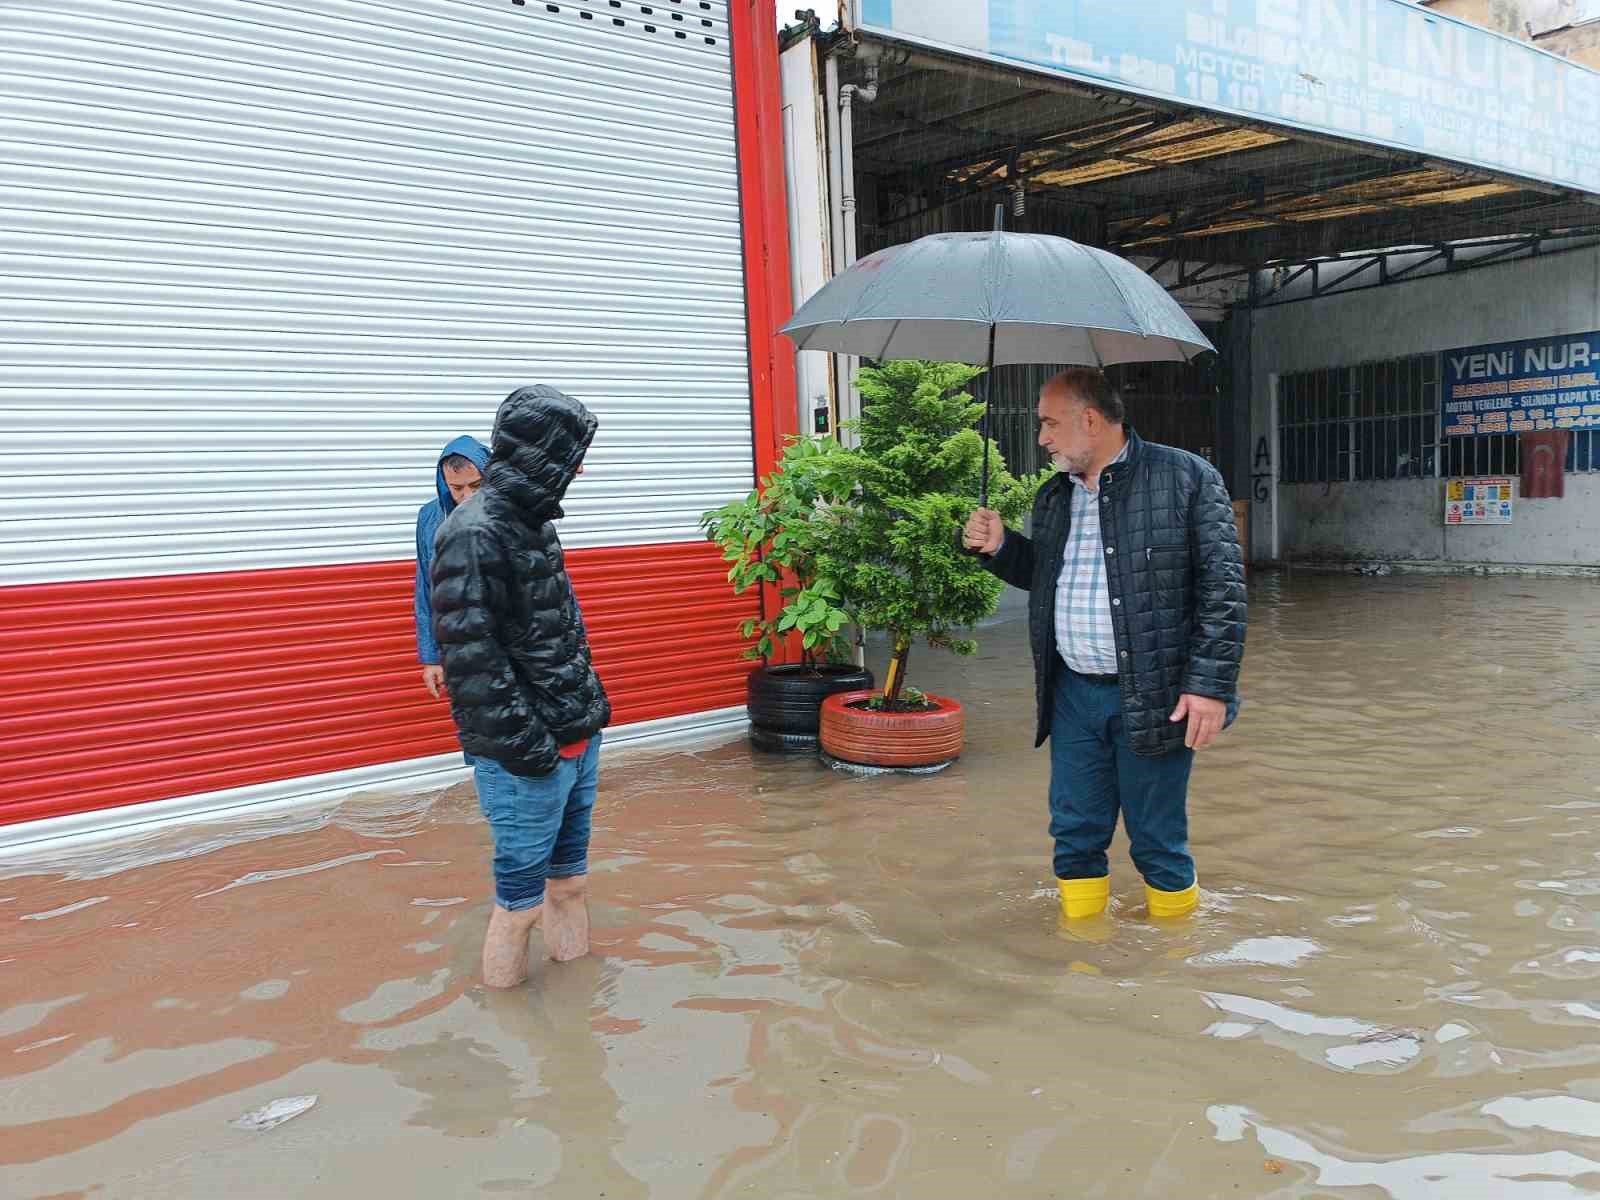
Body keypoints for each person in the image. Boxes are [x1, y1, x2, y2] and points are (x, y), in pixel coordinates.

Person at [963, 367, 1245, 923]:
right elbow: (1046, 577)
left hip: (1156, 694)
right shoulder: (1054, 496)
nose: (1040, 438)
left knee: (1156, 840)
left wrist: (1209, 687)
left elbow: (1224, 590)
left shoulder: (1186, 478)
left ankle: (1170, 961)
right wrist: (1000, 548)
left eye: (1048, 423)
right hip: (1072, 696)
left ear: (1090, 420)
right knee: (1074, 833)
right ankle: (1083, 957)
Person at [431, 385, 611, 988]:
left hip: (574, 738)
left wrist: (588, 714)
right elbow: (473, 664)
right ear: (542, 454)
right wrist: (534, 753)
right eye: (572, 454)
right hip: (526, 760)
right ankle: (511, 1039)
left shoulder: (534, 521)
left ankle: (576, 1010)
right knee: (520, 907)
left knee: (570, 884)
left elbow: (562, 627)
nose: (581, 468)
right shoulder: (472, 532)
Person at [415, 436, 491, 712]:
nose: (467, 496)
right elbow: (426, 588)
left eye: (476, 486)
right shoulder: (429, 519)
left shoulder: (512, 515)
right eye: (457, 488)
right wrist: (431, 658)